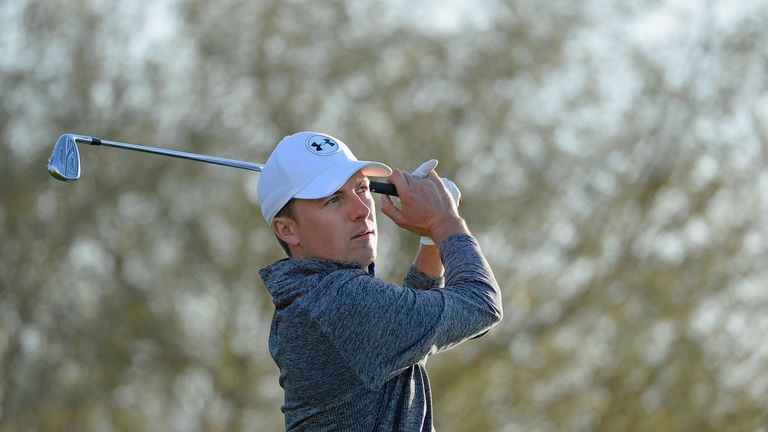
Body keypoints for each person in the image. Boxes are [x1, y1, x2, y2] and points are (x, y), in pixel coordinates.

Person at [257, 131, 503, 431]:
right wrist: (445, 223)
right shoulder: (337, 301)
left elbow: (409, 336)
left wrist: (431, 241)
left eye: (361, 189)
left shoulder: (315, 297)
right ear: (287, 230)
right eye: (333, 199)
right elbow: (480, 304)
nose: (361, 210)